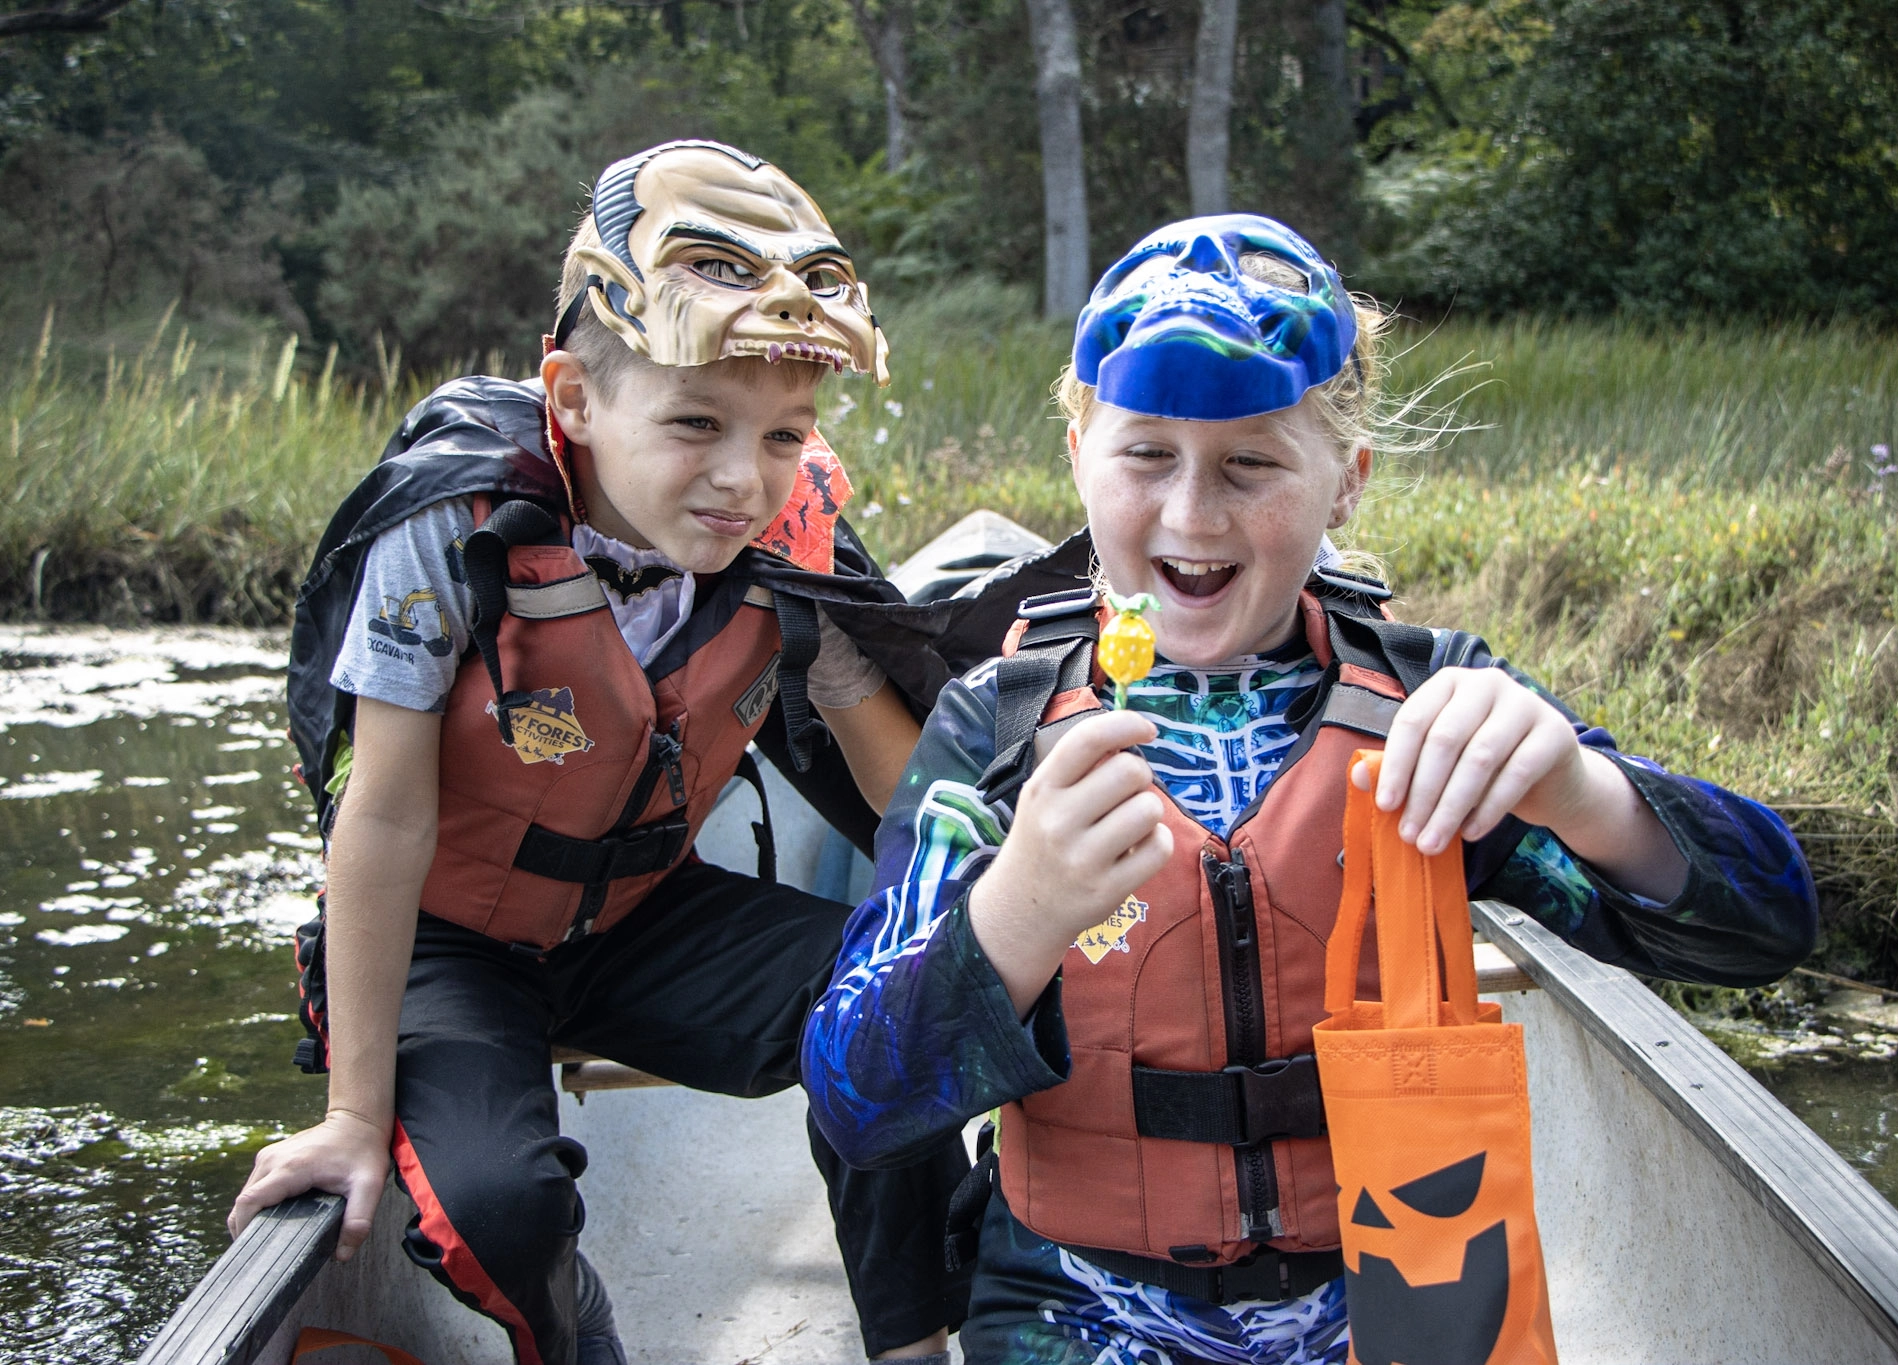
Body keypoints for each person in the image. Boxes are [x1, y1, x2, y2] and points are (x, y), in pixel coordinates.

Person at [800, 214, 1818, 1363]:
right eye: (1144, 454)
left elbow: (1765, 931)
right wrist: (1018, 913)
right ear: (1079, 451)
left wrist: (1583, 793)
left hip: (1395, 1293)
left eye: (1251, 463)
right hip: (1073, 1312)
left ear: (1346, 482)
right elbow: (857, 1103)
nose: (1190, 516)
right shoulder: (993, 729)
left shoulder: (1436, 710)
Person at [230, 140, 966, 1365]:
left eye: (784, 436)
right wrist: (354, 1115)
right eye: (693, 423)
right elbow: (382, 820)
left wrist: (837, 669)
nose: (742, 481)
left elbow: (915, 805)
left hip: (638, 914)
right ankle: (576, 1326)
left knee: (906, 1007)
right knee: (500, 1216)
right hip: (448, 942)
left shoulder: (790, 528)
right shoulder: (453, 525)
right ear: (573, 399)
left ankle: (910, 1347)